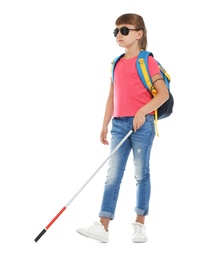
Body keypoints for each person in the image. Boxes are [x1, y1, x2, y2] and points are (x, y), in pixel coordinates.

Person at [76, 13, 169, 243]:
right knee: (112, 176)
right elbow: (112, 96)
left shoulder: (147, 61)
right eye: (116, 31)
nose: (119, 35)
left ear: (139, 34)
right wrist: (104, 124)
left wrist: (142, 112)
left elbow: (163, 94)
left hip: (142, 125)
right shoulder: (115, 63)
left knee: (141, 173)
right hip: (119, 125)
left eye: (124, 30)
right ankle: (103, 227)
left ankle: (139, 224)